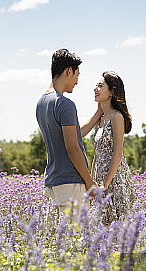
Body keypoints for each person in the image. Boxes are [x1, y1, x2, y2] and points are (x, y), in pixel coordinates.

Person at [36, 49, 101, 219]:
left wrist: (97, 114)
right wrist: (89, 182)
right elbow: (72, 147)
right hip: (71, 184)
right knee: (77, 242)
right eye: (77, 75)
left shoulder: (41, 103)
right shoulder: (65, 104)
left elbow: (74, 135)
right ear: (69, 71)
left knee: (58, 243)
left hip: (52, 184)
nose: (77, 82)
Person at [81, 70, 137, 224]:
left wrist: (105, 184)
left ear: (112, 91)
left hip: (115, 180)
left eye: (100, 85)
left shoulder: (116, 117)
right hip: (99, 181)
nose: (95, 89)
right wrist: (90, 183)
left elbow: (118, 153)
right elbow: (97, 155)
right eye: (96, 85)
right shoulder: (100, 119)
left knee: (116, 228)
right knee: (101, 228)